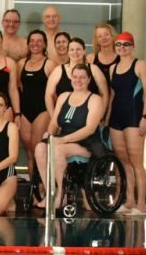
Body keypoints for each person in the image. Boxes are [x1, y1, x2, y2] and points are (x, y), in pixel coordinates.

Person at [35, 64, 105, 209]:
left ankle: (62, 195)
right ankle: (51, 193)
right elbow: (54, 123)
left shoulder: (95, 99)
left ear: (89, 80)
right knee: (40, 148)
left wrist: (62, 140)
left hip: (87, 142)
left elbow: (90, 129)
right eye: (75, 77)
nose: (78, 80)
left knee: (57, 150)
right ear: (71, 78)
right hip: (63, 139)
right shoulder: (63, 97)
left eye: (82, 77)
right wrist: (50, 134)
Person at [108, 32, 146, 214]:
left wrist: (145, 117)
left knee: (136, 163)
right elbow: (112, 96)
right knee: (123, 162)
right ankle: (129, 201)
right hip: (116, 118)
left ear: (132, 46)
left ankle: (141, 205)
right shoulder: (113, 68)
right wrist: (107, 118)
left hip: (134, 118)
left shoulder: (140, 65)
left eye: (126, 44)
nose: (122, 47)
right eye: (118, 44)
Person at [17, 30, 57, 177]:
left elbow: (55, 92)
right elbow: (18, 86)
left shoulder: (50, 64)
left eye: (39, 41)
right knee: (28, 150)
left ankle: (42, 185)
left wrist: (55, 115)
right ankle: (33, 186)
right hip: (25, 110)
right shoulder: (21, 63)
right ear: (28, 44)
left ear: (45, 44)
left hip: (42, 110)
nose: (35, 44)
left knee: (37, 148)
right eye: (32, 41)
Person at [45, 37, 108, 119]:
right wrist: (54, 118)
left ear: (84, 51)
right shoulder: (58, 70)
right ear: (68, 51)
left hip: (89, 118)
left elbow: (104, 93)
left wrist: (100, 116)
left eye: (78, 49)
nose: (75, 52)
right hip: (64, 119)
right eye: (71, 49)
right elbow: (48, 96)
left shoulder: (94, 69)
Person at [87, 23, 119, 87]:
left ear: (113, 36)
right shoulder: (90, 58)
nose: (103, 38)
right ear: (97, 40)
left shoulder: (121, 57)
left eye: (106, 34)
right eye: (100, 36)